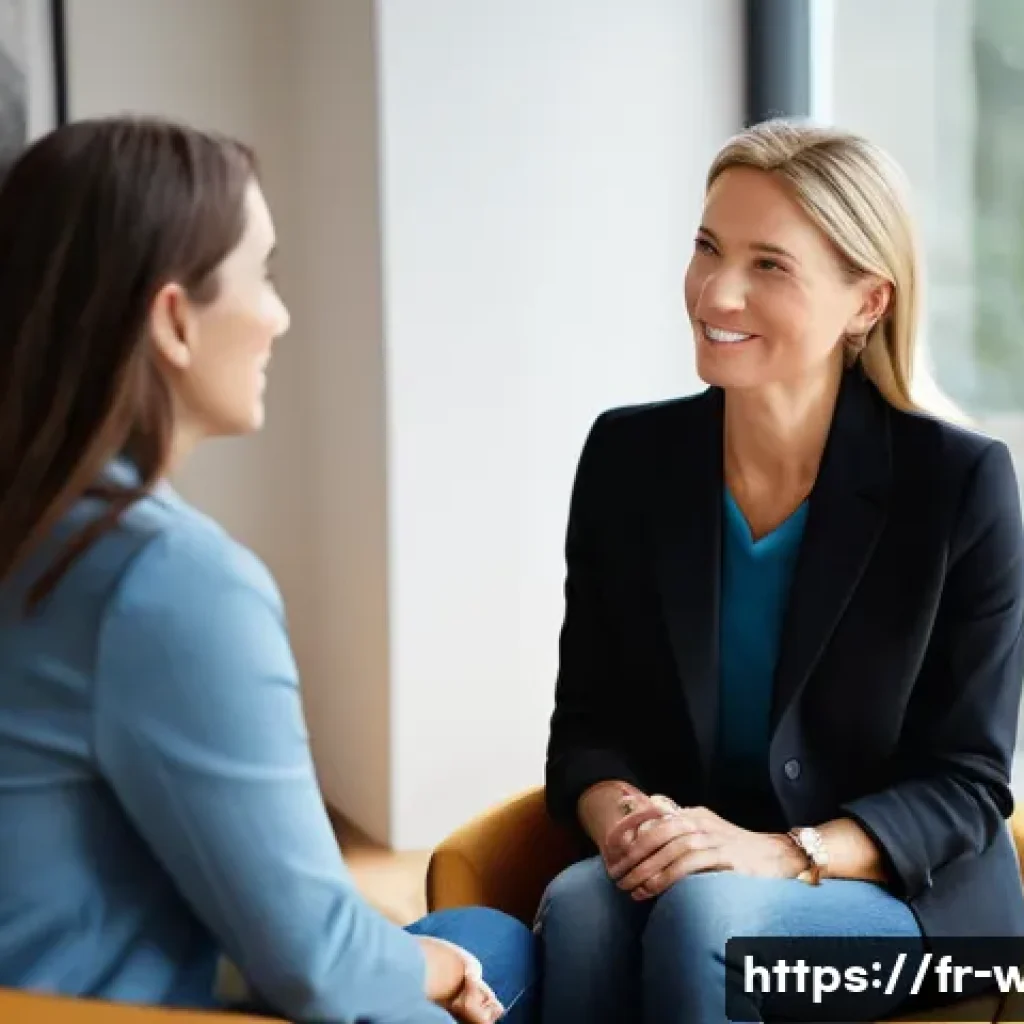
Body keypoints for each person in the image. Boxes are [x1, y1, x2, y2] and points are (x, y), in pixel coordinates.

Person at [0, 116, 536, 1024]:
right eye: (267, 274)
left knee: (464, 936)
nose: (281, 316)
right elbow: (316, 966)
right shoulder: (164, 581)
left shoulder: (38, 531)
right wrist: (438, 971)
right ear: (174, 319)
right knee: (494, 953)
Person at [536, 118, 1024, 1023]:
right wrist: (632, 828)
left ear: (867, 303)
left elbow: (968, 782)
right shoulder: (626, 458)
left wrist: (786, 853)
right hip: (701, 871)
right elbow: (588, 726)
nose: (716, 291)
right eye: (707, 248)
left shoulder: (960, 487)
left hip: (927, 917)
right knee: (581, 913)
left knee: (706, 916)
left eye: (770, 264)